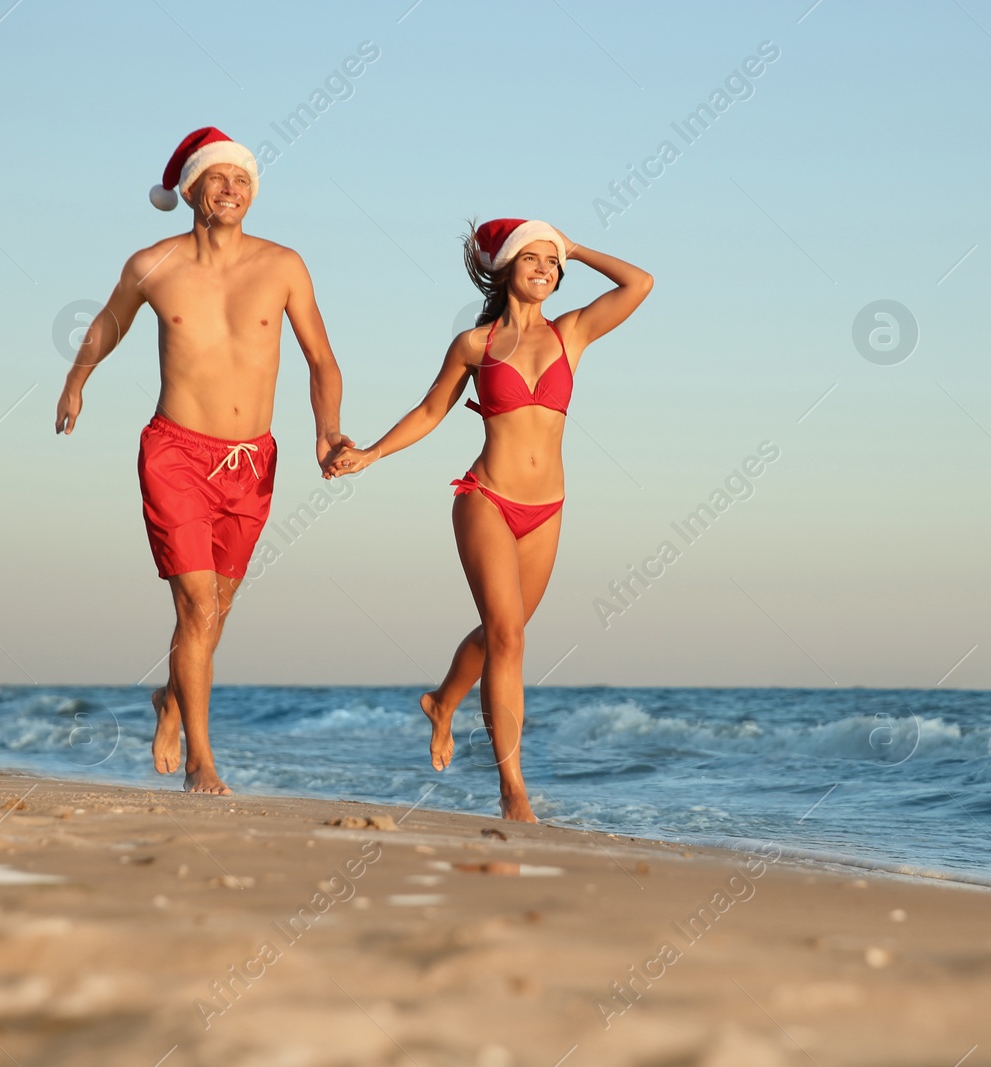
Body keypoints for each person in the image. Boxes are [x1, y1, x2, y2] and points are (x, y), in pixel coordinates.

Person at [55, 127, 351, 795]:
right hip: (177, 453)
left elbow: (322, 360)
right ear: (189, 189)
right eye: (217, 178)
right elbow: (109, 320)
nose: (231, 188)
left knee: (213, 611)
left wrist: (326, 430)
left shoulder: (283, 266)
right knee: (194, 603)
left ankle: (170, 699)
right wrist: (78, 378)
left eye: (242, 180)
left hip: (254, 461)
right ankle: (202, 760)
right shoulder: (153, 264)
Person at [328, 219, 652, 821]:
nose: (545, 270)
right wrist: (371, 453)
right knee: (508, 636)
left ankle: (442, 700)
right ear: (504, 267)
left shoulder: (571, 334)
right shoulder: (473, 346)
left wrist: (574, 246)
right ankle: (513, 791)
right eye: (532, 258)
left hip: (547, 508)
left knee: (505, 633)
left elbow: (639, 283)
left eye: (552, 264)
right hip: (486, 498)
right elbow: (431, 411)